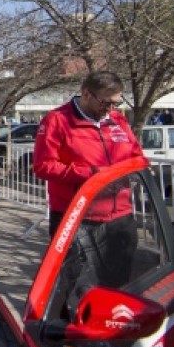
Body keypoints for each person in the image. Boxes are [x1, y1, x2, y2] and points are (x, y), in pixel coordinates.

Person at [33, 71, 144, 243]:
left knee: (120, 270)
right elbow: (43, 166)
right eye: (105, 102)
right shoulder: (56, 120)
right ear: (86, 94)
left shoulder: (118, 120)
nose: (110, 109)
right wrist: (93, 174)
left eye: (115, 103)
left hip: (120, 216)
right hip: (76, 217)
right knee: (78, 271)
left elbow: (136, 156)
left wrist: (139, 169)